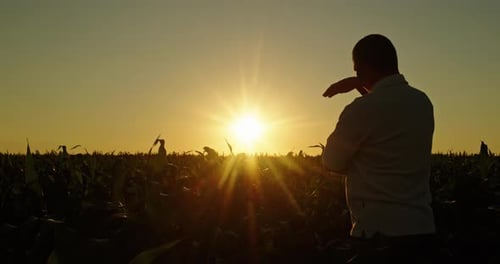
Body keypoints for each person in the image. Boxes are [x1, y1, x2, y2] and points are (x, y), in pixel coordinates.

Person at [322, 34, 437, 263]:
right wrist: (364, 87)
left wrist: (363, 91)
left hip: (378, 237)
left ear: (364, 67)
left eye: (357, 70)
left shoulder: (361, 110)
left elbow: (331, 161)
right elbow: (387, 127)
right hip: (421, 232)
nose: (356, 75)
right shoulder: (422, 102)